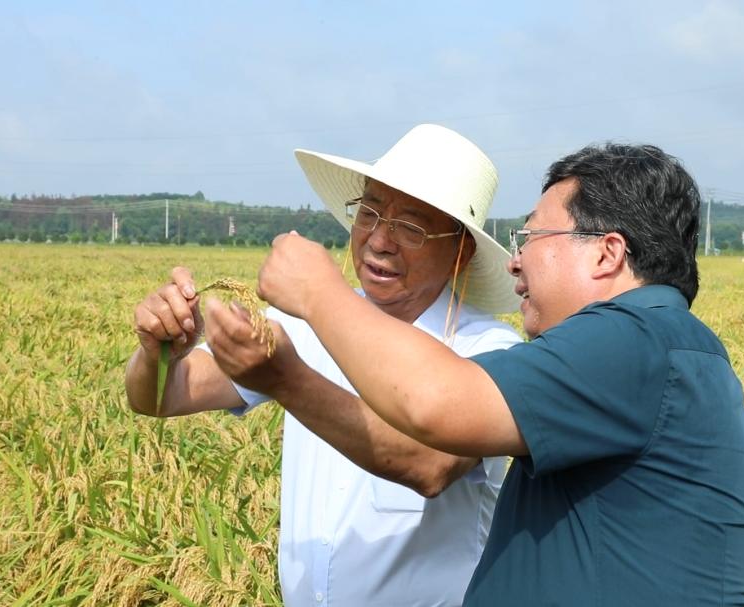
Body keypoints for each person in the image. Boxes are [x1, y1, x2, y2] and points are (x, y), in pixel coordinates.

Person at [256, 143, 744, 606]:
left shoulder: (633, 339)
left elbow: (433, 407)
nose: (515, 263)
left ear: (607, 253)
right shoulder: (668, 349)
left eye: (533, 236)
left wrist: (318, 292)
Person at [125, 124, 522, 606]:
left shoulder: (489, 349)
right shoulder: (304, 321)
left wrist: (289, 379)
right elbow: (162, 397)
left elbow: (430, 465)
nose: (379, 240)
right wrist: (159, 351)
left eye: (411, 228)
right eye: (370, 213)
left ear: (461, 252)